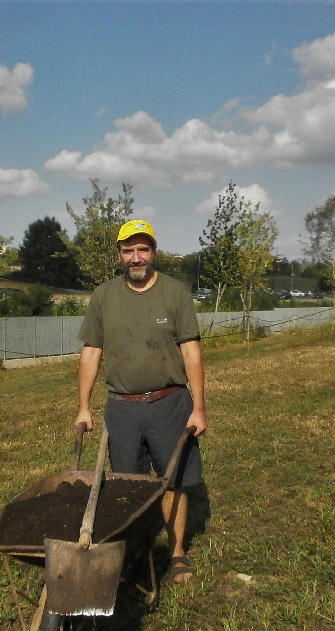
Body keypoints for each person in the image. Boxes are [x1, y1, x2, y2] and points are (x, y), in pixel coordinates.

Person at [75, 220, 207, 584]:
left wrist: (199, 407)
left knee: (174, 482)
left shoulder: (175, 293)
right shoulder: (104, 296)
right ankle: (135, 550)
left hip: (170, 403)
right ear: (119, 254)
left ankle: (177, 553)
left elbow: (191, 350)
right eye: (128, 250)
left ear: (154, 251)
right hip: (123, 407)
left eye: (142, 249)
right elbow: (91, 351)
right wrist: (84, 406)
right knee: (126, 487)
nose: (136, 257)